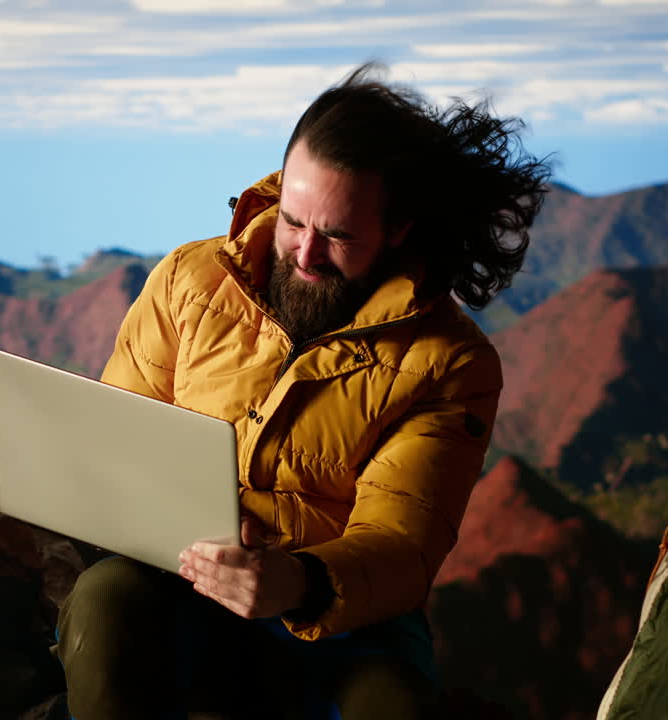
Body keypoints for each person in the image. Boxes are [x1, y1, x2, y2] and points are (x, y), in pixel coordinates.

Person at [55, 62, 551, 719]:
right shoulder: (189, 280)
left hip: (342, 620)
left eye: (338, 235)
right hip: (179, 574)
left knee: (392, 706)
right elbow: (118, 435)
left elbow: (404, 542)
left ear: (398, 229)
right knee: (102, 600)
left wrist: (301, 581)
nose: (306, 253)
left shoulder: (450, 363)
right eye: (293, 221)